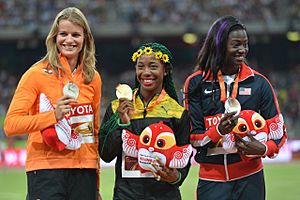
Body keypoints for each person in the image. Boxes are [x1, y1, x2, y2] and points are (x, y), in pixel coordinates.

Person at [184, 15, 288, 200]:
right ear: (219, 45)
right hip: (211, 180)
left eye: (245, 44)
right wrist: (217, 131)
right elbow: (193, 137)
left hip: (250, 178)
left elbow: (278, 132)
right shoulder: (195, 84)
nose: (243, 50)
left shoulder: (260, 83)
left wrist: (263, 148)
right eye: (236, 45)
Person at [4, 7, 102, 200]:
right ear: (54, 38)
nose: (69, 40)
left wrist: (96, 183)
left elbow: (94, 133)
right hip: (45, 171)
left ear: (85, 39)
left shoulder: (93, 78)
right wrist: (53, 116)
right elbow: (11, 125)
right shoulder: (36, 74)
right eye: (63, 34)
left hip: (85, 172)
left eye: (76, 35)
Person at [99, 42, 191, 200]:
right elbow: (105, 154)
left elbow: (183, 160)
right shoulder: (117, 107)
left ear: (166, 70)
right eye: (140, 66)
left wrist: (176, 177)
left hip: (164, 196)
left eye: (153, 67)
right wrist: (121, 123)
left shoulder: (177, 112)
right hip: (125, 196)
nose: (146, 72)